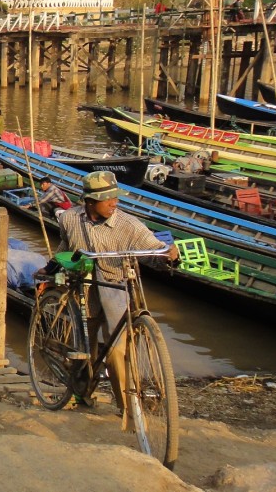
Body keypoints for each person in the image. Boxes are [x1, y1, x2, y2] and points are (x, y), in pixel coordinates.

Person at [54, 171, 178, 410]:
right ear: (89, 201)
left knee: (116, 351)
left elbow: (153, 250)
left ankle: (128, 408)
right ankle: (81, 392)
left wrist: (168, 255)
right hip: (84, 290)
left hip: (116, 289)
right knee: (83, 348)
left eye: (115, 197)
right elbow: (65, 247)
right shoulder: (69, 219)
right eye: (107, 198)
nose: (114, 203)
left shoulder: (128, 225)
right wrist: (51, 269)